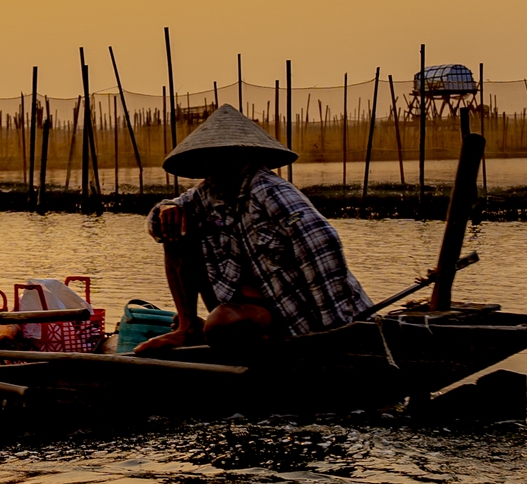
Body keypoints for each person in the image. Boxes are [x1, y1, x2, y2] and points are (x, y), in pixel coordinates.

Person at [135, 105, 371, 355]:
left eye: (218, 157)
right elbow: (156, 225)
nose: (210, 167)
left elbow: (322, 245)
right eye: (207, 159)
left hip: (290, 314)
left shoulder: (269, 191)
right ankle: (188, 326)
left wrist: (334, 330)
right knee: (174, 225)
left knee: (221, 323)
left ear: (240, 156)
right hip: (243, 309)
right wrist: (168, 209)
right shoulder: (207, 194)